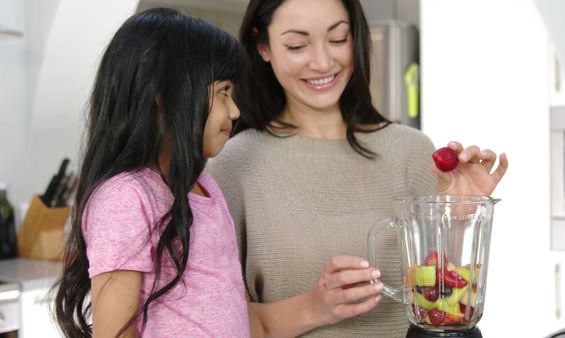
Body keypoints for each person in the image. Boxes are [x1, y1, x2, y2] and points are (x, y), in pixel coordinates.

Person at [206, 0, 509, 337]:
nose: (322, 62)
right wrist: (315, 306)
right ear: (263, 45)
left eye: (337, 39)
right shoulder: (234, 163)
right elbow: (215, 321)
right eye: (297, 45)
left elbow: (442, 298)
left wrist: (458, 215)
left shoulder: (411, 151)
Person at [52, 8, 255, 337]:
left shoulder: (205, 188)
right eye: (224, 92)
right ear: (164, 93)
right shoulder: (125, 198)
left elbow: (233, 315)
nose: (235, 110)